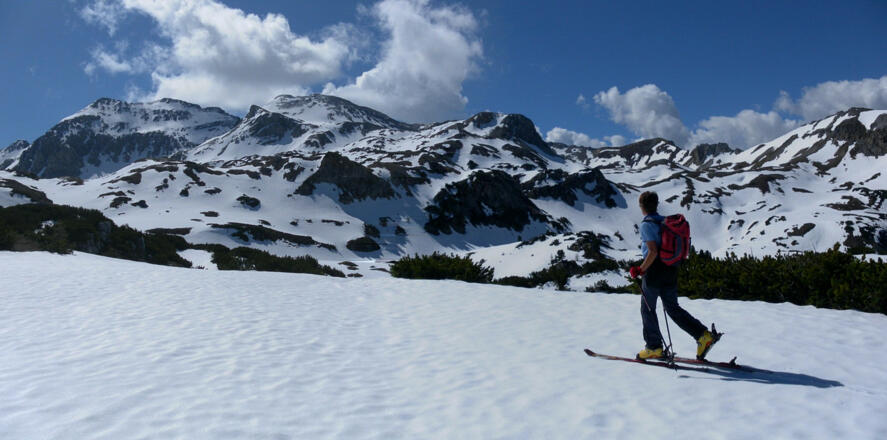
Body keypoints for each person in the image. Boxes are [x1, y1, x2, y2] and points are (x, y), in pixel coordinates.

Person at [629, 191, 717, 360]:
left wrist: (640, 269)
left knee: (648, 309)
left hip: (654, 272)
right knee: (673, 308)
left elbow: (653, 251)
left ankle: (654, 347)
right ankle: (702, 335)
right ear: (656, 204)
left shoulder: (647, 224)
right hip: (670, 269)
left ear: (642, 207)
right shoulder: (665, 222)